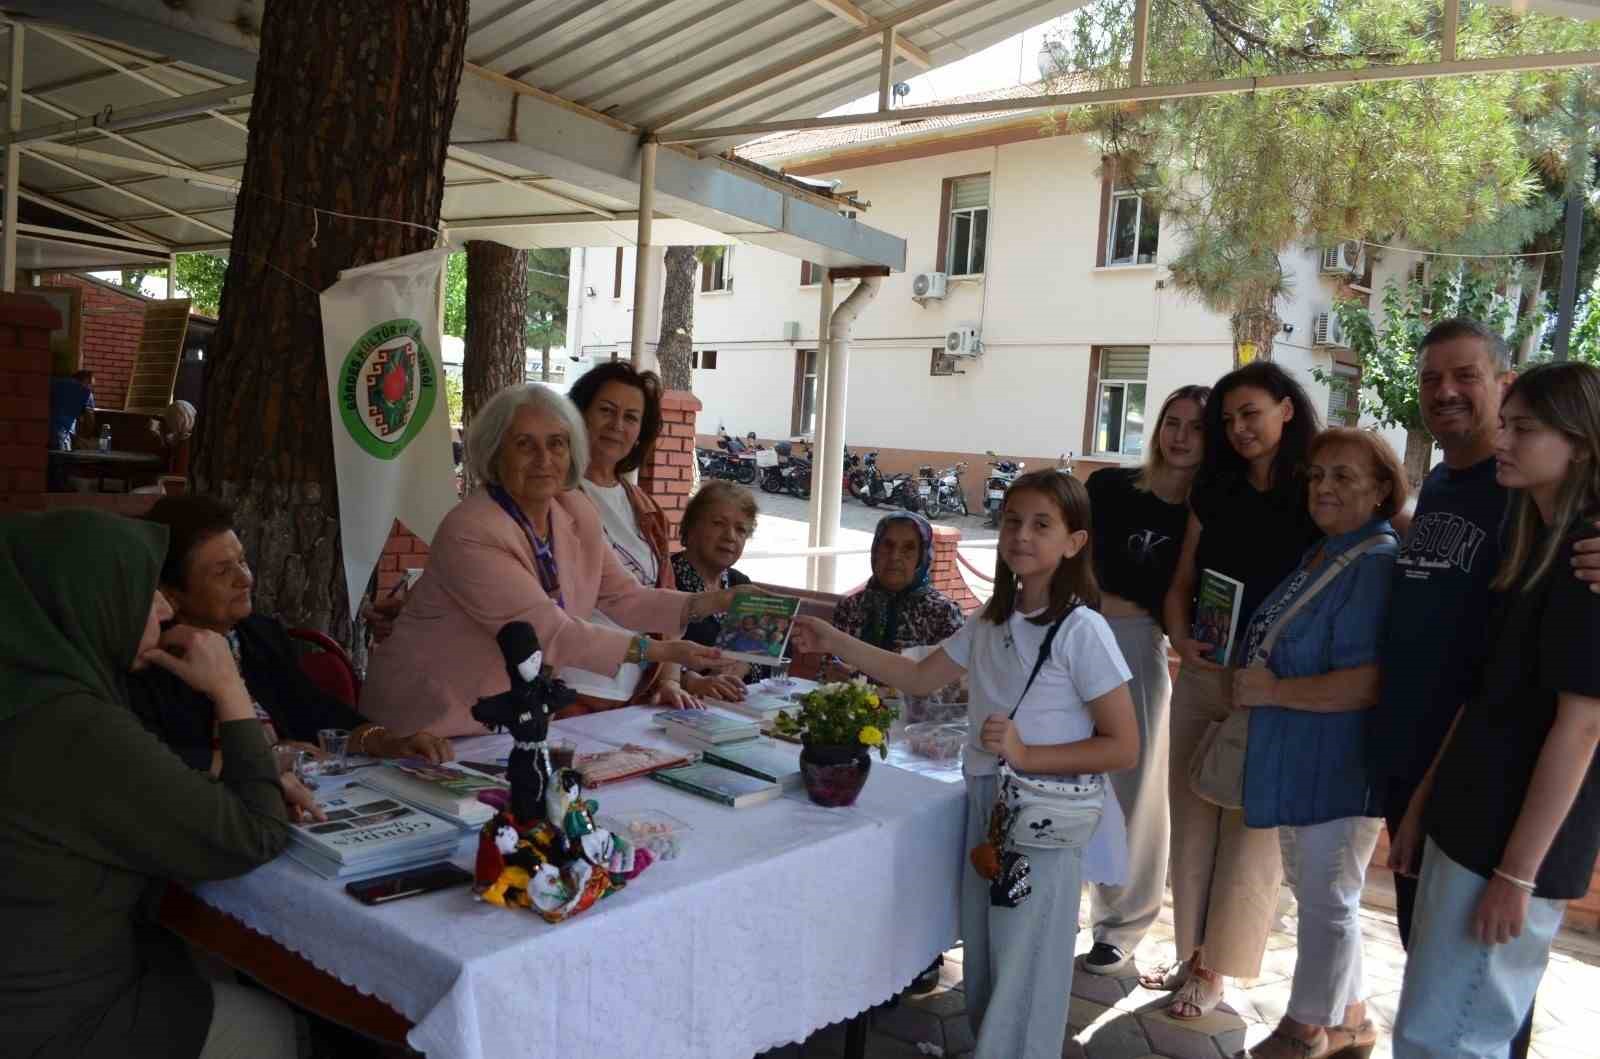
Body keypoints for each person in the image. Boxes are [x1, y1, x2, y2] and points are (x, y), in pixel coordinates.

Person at [790, 471, 1139, 1059]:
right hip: (988, 800)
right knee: (985, 946)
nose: (1021, 535)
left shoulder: (1083, 631)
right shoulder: (990, 621)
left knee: (1026, 955)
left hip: (1043, 821)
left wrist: (1029, 754)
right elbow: (918, 675)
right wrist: (832, 638)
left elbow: (1123, 744)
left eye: (1041, 524)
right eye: (1012, 521)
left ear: (1073, 543)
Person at [1368, 319, 1600, 1058]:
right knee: (1433, 1017)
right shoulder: (1510, 527)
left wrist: (1516, 872)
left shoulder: (1584, 558)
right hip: (1454, 806)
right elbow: (1482, 689)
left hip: (1509, 838)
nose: (1505, 438)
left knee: (1462, 1031)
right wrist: (1423, 805)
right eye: (1431, 376)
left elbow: (1581, 727)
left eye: (1524, 427)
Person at [0, 509, 303, 1059]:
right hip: (59, 1021)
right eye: (143, 589)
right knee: (276, 1029)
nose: (165, 607)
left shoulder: (28, 694)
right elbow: (255, 833)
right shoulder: (73, 726)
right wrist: (229, 691)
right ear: (89, 599)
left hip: (38, 986)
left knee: (203, 956)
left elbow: (127, 789)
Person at [359, 384, 735, 736]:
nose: (544, 460)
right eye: (525, 444)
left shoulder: (575, 510)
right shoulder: (471, 529)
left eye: (557, 444)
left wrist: (713, 602)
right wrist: (663, 651)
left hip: (512, 722)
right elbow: (549, 633)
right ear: (494, 452)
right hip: (429, 722)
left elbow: (625, 596)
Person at [1153, 360, 1323, 1018]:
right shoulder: (1214, 488)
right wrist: (1178, 635)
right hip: (1206, 672)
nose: (1239, 428)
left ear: (1287, 408)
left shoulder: (1320, 487)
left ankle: (1217, 969)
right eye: (1228, 419)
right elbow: (1180, 582)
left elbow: (1385, 529)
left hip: (1276, 687)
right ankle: (1190, 952)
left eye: (1250, 412)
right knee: (1191, 821)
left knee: (1251, 835)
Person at [1231, 428, 1405, 1059]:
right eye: (1318, 475)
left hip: (1337, 761)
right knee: (1321, 892)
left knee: (1328, 898)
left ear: (1382, 489)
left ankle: (1305, 1030)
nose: (1324, 487)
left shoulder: (1374, 562)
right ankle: (1353, 1020)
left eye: (1343, 476)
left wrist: (1272, 692)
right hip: (1301, 755)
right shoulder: (1330, 551)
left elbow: (1366, 682)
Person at [126, 495, 453, 771]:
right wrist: (266, 760)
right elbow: (156, 762)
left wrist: (389, 742)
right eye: (222, 571)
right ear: (171, 593)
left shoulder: (258, 636)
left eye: (242, 561)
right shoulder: (150, 661)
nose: (244, 579)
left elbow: (313, 708)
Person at [1080, 383, 1209, 977]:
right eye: (1172, 422)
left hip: (1138, 646)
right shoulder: (1109, 487)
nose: (1181, 436)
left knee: (1133, 790)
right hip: (1075, 635)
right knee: (1058, 771)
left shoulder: (1205, 513)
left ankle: (1122, 923)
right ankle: (1059, 901)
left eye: (1196, 427)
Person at [559, 361, 715, 709]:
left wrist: (670, 680)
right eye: (606, 410)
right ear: (577, 414)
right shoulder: (551, 497)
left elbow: (664, 598)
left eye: (631, 417)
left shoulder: (644, 507)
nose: (617, 425)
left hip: (633, 694)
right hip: (562, 693)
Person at [829, 511, 964, 684]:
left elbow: (950, 687)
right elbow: (829, 668)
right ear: (875, 550)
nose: (894, 557)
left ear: (921, 558)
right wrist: (834, 676)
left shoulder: (942, 613)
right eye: (888, 545)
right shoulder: (851, 607)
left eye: (908, 548)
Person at [671, 480, 762, 696]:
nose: (730, 536)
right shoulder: (663, 577)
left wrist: (743, 665)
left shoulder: (741, 583)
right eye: (719, 523)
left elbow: (769, 652)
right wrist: (688, 680)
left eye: (741, 529)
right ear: (691, 526)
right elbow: (643, 648)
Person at [47, 368, 96, 452]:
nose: (91, 387)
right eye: (91, 384)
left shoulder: (54, 383)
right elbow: (89, 419)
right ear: (86, 380)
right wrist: (85, 438)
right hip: (61, 439)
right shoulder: (85, 392)